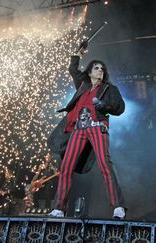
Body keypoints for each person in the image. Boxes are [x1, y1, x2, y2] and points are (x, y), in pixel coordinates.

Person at [47, 44, 126, 219]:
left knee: (105, 165)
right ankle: (59, 208)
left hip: (98, 128)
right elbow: (73, 69)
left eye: (102, 69)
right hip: (79, 130)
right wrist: (77, 54)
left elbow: (120, 108)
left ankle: (118, 207)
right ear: (89, 72)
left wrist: (103, 105)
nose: (100, 70)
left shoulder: (109, 89)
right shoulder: (82, 86)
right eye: (96, 68)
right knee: (66, 166)